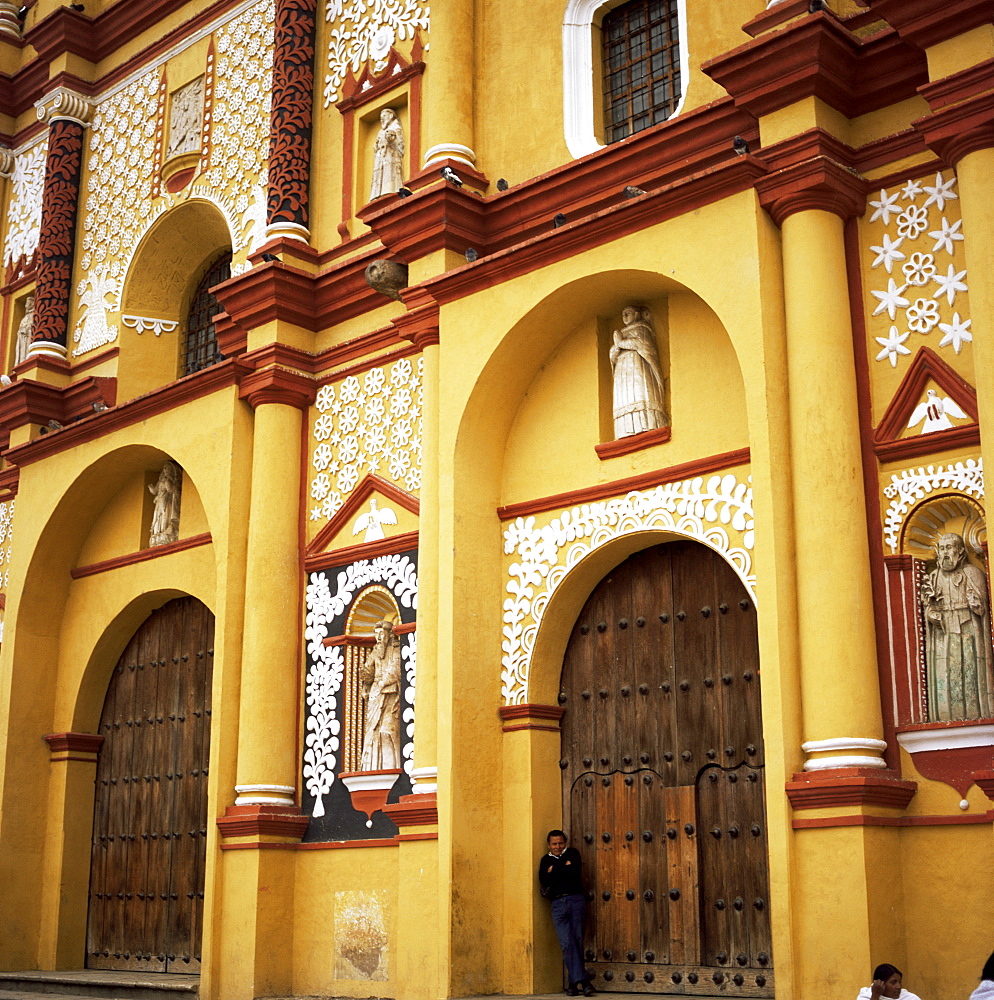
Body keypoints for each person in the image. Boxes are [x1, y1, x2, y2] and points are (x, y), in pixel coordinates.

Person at [920, 532, 994, 721]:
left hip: (968, 631)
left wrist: (975, 603)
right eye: (942, 548)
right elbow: (927, 606)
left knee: (969, 672)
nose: (945, 553)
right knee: (944, 673)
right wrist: (931, 614)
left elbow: (982, 608)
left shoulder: (972, 573)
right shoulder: (934, 577)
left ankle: (976, 713)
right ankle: (945, 715)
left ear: (960, 551)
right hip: (943, 635)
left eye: (949, 548)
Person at [538, 829, 594, 997]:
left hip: (575, 901)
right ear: (549, 845)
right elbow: (543, 879)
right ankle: (584, 982)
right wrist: (563, 868)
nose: (558, 846)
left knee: (576, 940)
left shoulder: (572, 853)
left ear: (565, 843)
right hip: (557, 905)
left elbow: (573, 872)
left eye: (560, 843)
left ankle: (572, 984)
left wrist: (554, 871)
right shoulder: (544, 860)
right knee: (566, 944)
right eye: (554, 844)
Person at [609, 305, 667, 439]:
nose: (624, 316)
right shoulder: (621, 334)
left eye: (628, 313)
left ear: (636, 314)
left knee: (641, 395)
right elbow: (613, 356)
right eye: (623, 314)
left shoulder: (642, 328)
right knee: (625, 398)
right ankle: (626, 429)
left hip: (638, 367)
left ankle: (648, 424)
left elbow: (643, 345)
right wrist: (616, 348)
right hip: (623, 372)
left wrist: (620, 343)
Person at [359, 620, 402, 770]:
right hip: (375, 694)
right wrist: (366, 681)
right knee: (372, 730)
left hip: (389, 693)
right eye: (376, 634)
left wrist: (383, 683)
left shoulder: (395, 650)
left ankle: (390, 765)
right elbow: (368, 669)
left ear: (389, 634)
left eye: (381, 634)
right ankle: (371, 765)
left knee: (386, 730)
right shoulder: (376, 651)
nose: (378, 637)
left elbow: (395, 668)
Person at [369, 107, 405, 200]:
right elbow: (377, 146)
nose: (382, 119)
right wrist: (376, 144)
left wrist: (391, 139)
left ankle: (390, 190)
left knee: (390, 171)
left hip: (391, 155)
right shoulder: (381, 131)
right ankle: (377, 193)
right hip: (381, 156)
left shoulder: (396, 127)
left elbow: (399, 143)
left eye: (384, 116)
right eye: (381, 117)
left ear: (391, 116)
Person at [856, 963, 921, 1000]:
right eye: (893, 982)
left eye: (900, 982)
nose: (898, 986)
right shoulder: (866, 996)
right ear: (880, 984)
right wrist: (875, 996)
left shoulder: (908, 998)